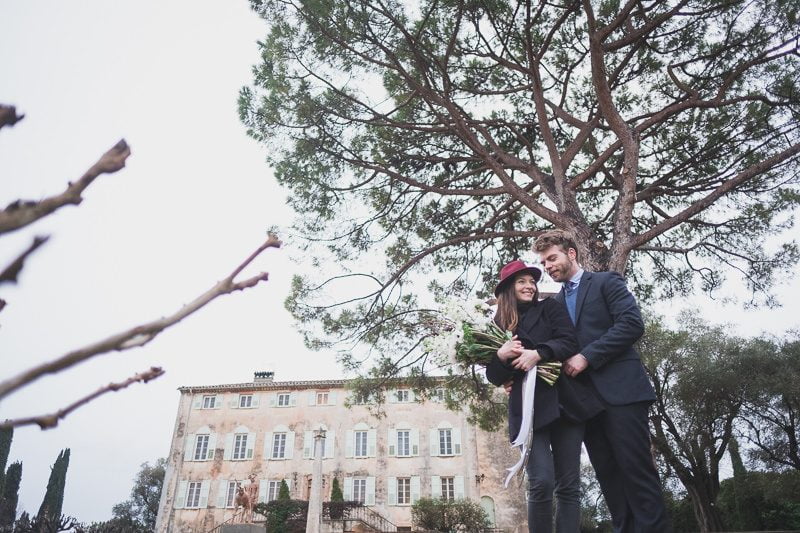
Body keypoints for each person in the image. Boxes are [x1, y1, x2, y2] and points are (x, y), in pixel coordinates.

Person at [533, 230, 670, 533]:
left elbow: (632, 324)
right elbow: (551, 347)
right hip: (584, 404)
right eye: (543, 263)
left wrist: (587, 357)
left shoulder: (607, 282)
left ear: (571, 253)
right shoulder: (552, 304)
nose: (548, 266)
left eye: (552, 258)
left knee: (637, 472)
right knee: (608, 477)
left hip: (622, 393)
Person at [485, 259, 603, 533]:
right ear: (507, 289)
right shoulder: (497, 326)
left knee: (569, 486)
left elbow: (568, 341)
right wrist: (501, 356)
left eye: (532, 281)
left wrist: (538, 354)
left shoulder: (550, 307)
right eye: (521, 282)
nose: (529, 286)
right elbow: (494, 375)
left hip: (565, 403)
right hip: (528, 411)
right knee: (541, 482)